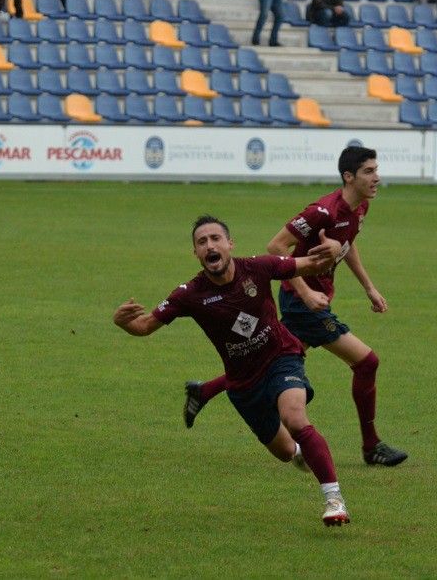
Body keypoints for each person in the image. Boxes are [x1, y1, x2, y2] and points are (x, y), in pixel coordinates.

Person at [113, 215, 352, 526]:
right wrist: (122, 322)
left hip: (282, 358)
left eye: (215, 239)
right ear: (196, 254)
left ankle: (334, 500)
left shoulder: (259, 267)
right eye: (202, 242)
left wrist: (333, 252)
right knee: (284, 452)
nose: (210, 245)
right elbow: (143, 326)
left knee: (294, 417)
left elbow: (309, 265)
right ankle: (301, 452)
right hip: (242, 385)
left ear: (229, 244)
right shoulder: (190, 294)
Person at [183, 147, 408, 468]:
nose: (377, 177)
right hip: (303, 304)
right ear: (349, 177)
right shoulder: (323, 212)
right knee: (367, 362)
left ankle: (203, 391)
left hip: (312, 300)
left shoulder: (360, 209)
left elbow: (347, 242)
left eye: (376, 169)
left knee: (267, 356)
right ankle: (372, 447)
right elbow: (276, 246)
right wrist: (304, 292)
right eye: (369, 171)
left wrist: (369, 287)